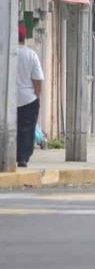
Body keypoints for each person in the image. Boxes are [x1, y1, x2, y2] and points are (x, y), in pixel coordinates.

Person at [16, 23, 44, 167]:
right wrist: (36, 96)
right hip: (28, 99)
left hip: (8, 100)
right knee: (26, 129)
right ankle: (23, 157)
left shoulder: (5, 53)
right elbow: (38, 80)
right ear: (24, 37)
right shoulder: (31, 54)